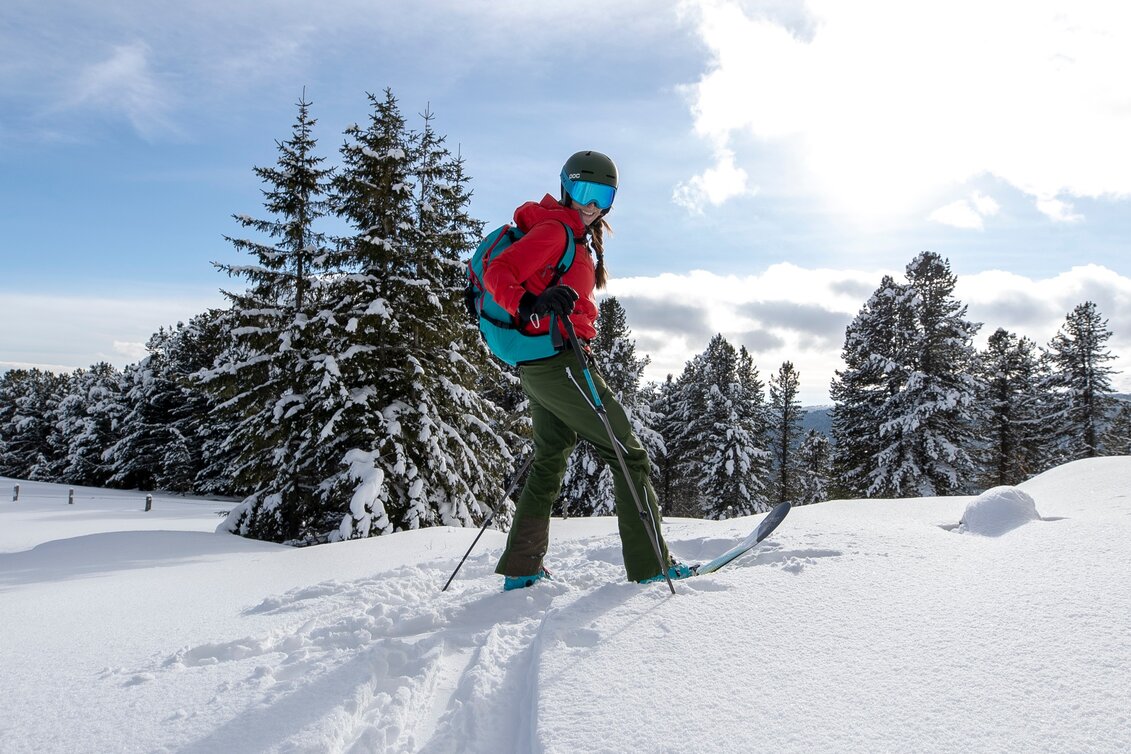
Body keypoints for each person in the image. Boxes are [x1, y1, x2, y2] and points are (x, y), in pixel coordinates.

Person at [483, 149, 693, 590]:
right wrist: (530, 304)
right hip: (557, 363)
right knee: (628, 454)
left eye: (602, 195)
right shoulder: (557, 230)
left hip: (539, 364)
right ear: (565, 187)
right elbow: (498, 271)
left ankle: (521, 570)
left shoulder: (573, 235)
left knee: (550, 456)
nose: (591, 204)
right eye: (583, 191)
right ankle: (652, 566)